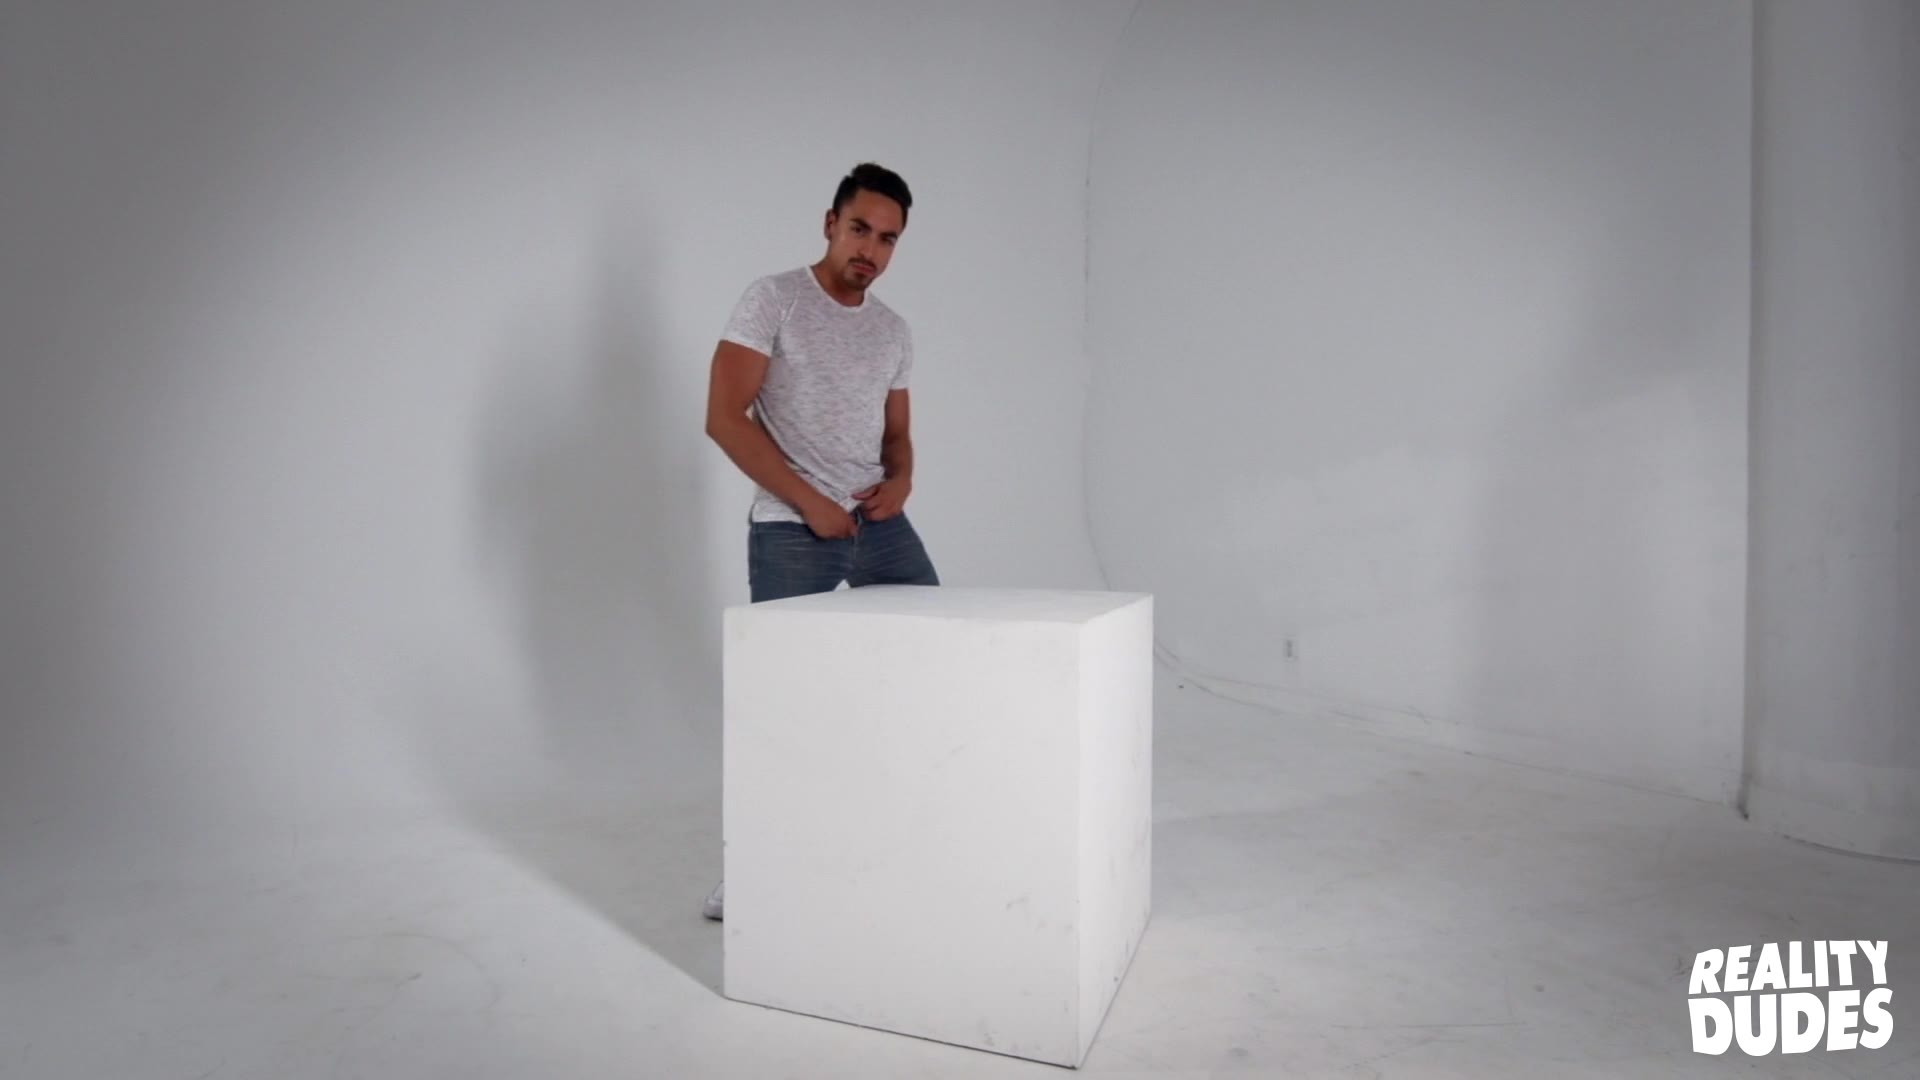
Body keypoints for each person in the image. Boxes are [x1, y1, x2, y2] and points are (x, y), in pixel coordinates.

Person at [699, 163, 940, 920]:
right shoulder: (774, 299)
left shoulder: (892, 330)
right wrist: (811, 504)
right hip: (792, 527)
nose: (871, 249)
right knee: (780, 703)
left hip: (879, 525)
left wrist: (902, 482)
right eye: (860, 229)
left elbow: (897, 436)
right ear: (831, 223)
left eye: (888, 239)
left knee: (932, 666)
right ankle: (752, 868)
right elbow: (724, 418)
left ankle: (898, 842)